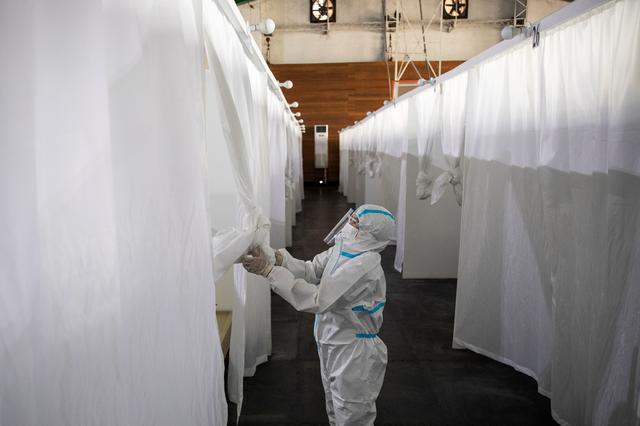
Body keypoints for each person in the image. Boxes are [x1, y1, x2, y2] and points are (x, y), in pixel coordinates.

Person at [241, 204, 396, 426]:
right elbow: (311, 270)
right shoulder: (345, 248)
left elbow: (318, 300)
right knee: (334, 407)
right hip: (333, 341)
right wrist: (277, 258)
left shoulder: (364, 265)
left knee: (352, 415)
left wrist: (269, 271)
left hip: (353, 352)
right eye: (352, 219)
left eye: (355, 223)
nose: (349, 225)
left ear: (371, 234)